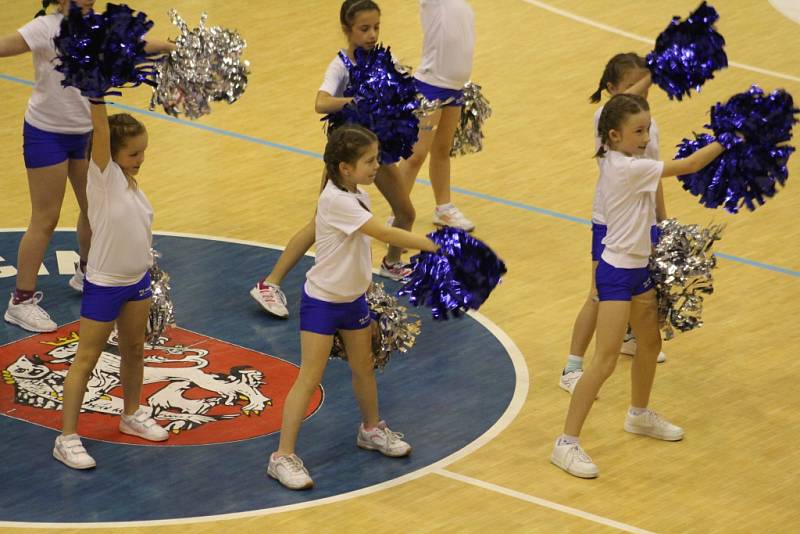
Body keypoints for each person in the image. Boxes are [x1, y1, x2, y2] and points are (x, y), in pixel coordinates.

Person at [550, 93, 726, 478]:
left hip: (640, 270)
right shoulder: (625, 167)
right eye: (638, 131)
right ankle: (566, 442)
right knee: (606, 360)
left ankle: (639, 414)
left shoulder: (631, 161)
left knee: (650, 343)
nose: (646, 137)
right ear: (614, 136)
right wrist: (730, 137)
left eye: (647, 129)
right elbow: (692, 165)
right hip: (615, 273)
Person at [267, 124, 439, 490]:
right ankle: (282, 456)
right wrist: (433, 245)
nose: (377, 166)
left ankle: (371, 429)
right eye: (369, 160)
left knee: (363, 368)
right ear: (345, 167)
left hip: (353, 301)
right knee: (309, 377)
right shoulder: (337, 201)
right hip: (323, 303)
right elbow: (388, 234)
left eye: (376, 158)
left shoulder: (357, 194)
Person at [0, 0, 174, 333]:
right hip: (45, 133)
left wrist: (168, 45)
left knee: (93, 206)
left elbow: (133, 45)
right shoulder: (44, 27)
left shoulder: (98, 25)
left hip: (87, 132)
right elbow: (7, 44)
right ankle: (20, 302)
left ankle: (86, 271)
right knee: (45, 217)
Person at [251, 0, 416, 320]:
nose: (371, 35)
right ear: (347, 30)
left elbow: (401, 85)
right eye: (363, 29)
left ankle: (392, 264)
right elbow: (320, 103)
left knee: (405, 211)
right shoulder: (341, 64)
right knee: (318, 223)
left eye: (376, 27)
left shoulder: (386, 58)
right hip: (346, 156)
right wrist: (353, 101)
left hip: (374, 152)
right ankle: (269, 283)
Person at [53, 98, 168, 470]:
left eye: (144, 151)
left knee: (134, 349)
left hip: (137, 282)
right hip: (104, 284)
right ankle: (67, 438)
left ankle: (131, 414)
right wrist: (96, 92)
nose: (141, 158)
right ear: (111, 154)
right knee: (85, 360)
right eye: (134, 153)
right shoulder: (102, 179)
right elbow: (100, 130)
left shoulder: (133, 187)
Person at [559, 53, 667, 396]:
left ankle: (629, 336)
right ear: (611, 91)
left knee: (641, 290)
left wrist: (662, 221)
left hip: (641, 220)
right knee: (598, 294)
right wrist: (656, 69)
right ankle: (572, 366)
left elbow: (656, 177)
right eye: (630, 84)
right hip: (609, 223)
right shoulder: (604, 122)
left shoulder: (647, 127)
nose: (639, 90)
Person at [398, 0, 476, 232]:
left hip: (455, 87)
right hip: (430, 86)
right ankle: (398, 214)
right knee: (415, 156)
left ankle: (443, 208)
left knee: (442, 150)